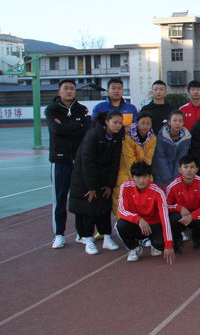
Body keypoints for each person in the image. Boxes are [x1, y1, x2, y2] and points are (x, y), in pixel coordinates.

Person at [68, 110, 124, 255]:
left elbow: (115, 162)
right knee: (88, 209)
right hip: (84, 178)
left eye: (120, 123)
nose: (118, 126)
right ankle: (88, 240)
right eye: (115, 122)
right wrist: (91, 187)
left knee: (104, 208)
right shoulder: (93, 135)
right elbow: (87, 162)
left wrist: (110, 184)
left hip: (103, 178)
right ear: (107, 122)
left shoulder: (117, 137)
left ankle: (107, 238)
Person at [46, 79, 90, 249]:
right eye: (66, 88)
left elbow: (84, 130)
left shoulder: (82, 109)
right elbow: (56, 130)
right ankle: (59, 234)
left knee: (80, 198)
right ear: (59, 91)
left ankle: (82, 233)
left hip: (79, 161)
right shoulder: (52, 109)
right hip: (60, 159)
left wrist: (67, 126)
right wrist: (76, 125)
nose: (69, 91)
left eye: (72, 88)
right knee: (60, 198)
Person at [115, 162, 177, 264]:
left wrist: (168, 245)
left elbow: (164, 218)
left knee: (161, 245)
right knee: (121, 225)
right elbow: (122, 210)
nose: (141, 180)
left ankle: (153, 243)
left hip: (154, 224)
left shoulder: (157, 191)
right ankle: (134, 248)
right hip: (137, 224)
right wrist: (138, 219)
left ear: (149, 176)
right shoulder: (125, 187)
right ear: (132, 177)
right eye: (138, 177)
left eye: (144, 176)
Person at [166, 155, 200, 250]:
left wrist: (192, 216)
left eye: (192, 167)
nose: (189, 170)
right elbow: (165, 206)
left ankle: (196, 237)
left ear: (196, 169)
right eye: (185, 167)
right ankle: (177, 238)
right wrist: (179, 208)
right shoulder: (173, 186)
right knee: (173, 218)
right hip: (180, 216)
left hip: (195, 214)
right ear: (180, 170)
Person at [113, 112, 156, 213]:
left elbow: (148, 159)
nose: (145, 126)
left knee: (148, 187)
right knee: (124, 194)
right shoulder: (127, 137)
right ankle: (122, 219)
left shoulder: (152, 138)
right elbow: (129, 160)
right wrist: (137, 176)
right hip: (127, 170)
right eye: (142, 123)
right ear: (137, 123)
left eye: (148, 123)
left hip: (143, 169)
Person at [152, 110, 192, 188]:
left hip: (177, 176)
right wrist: (168, 179)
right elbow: (160, 158)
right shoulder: (161, 136)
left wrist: (175, 179)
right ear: (169, 122)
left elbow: (181, 159)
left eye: (180, 121)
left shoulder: (186, 138)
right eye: (175, 120)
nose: (177, 123)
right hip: (161, 175)